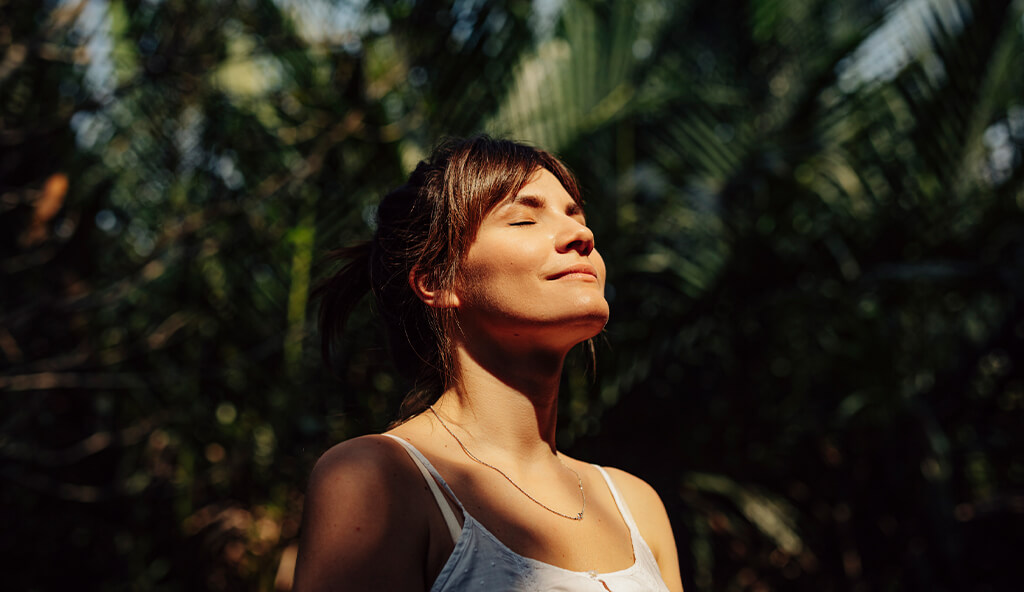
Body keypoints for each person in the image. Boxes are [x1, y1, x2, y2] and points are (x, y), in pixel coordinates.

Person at [293, 136, 684, 592]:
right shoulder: (378, 479)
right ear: (437, 280)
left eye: (575, 215)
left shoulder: (636, 506)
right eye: (523, 218)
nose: (583, 236)